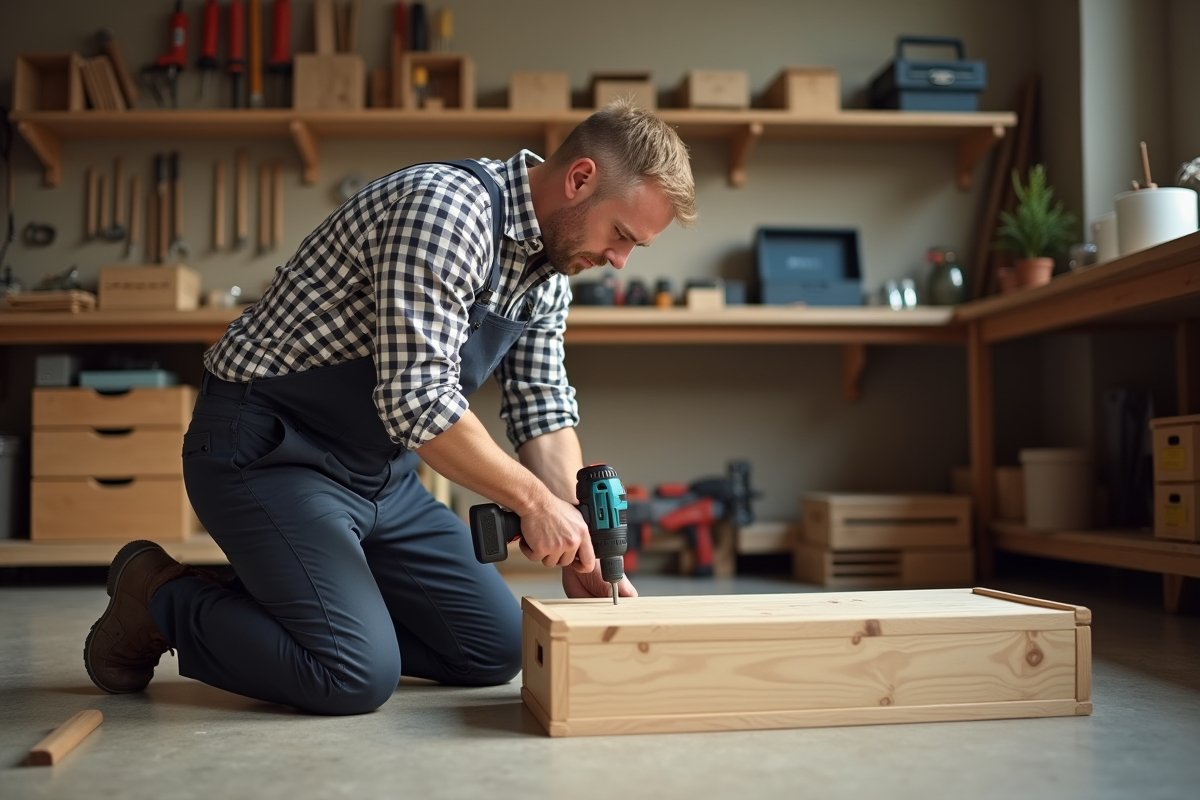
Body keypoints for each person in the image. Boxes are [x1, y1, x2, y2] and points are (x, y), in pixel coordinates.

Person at [83, 99, 697, 715]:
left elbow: (542, 407)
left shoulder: (549, 274)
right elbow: (417, 400)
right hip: (267, 450)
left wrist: (577, 533)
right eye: (621, 234)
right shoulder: (448, 211)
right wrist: (533, 503)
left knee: (493, 649)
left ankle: (309, 609)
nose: (619, 261)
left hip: (378, 472)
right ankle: (158, 594)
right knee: (351, 675)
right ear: (580, 179)